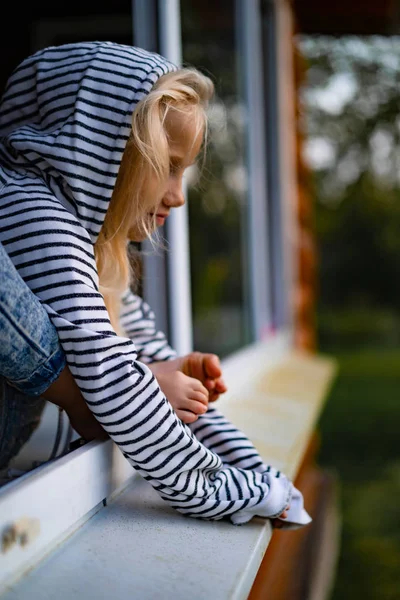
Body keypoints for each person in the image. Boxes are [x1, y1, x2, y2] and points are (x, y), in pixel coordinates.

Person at [0, 41, 311, 527]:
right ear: (97, 146)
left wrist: (260, 475)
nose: (178, 197)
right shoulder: (34, 215)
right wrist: (225, 489)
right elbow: (112, 376)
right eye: (168, 165)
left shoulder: (92, 243)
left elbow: (145, 358)